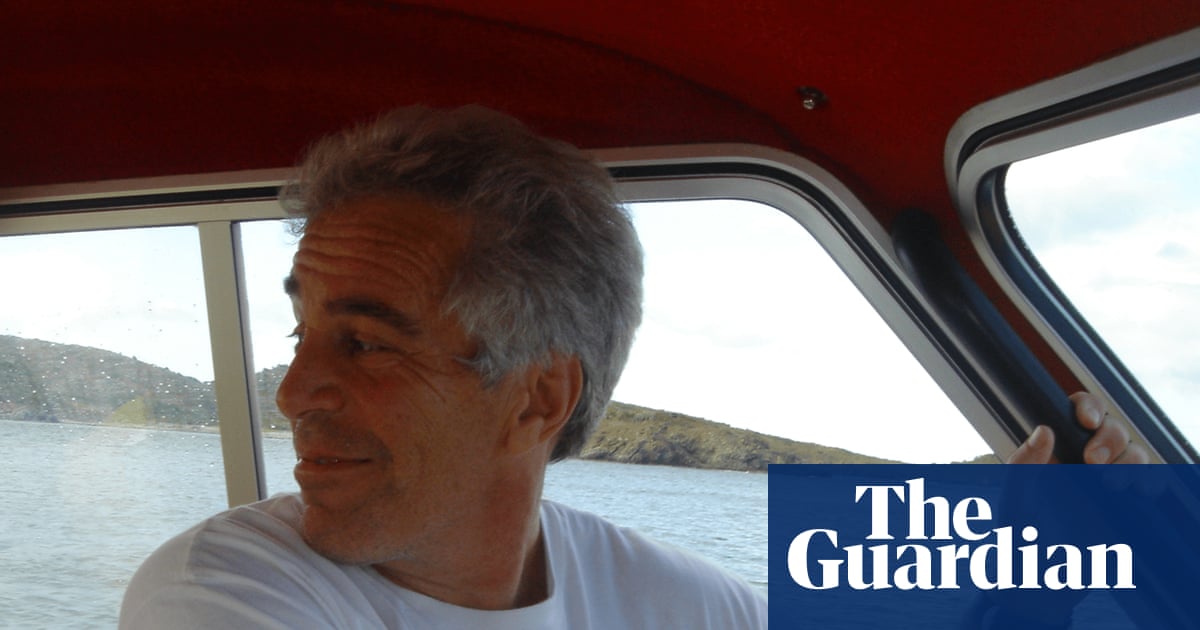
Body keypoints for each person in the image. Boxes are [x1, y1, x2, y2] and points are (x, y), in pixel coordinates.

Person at [119, 105, 1145, 629]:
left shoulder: (675, 601)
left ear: (539, 397)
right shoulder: (223, 596)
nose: (294, 392)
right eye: (301, 335)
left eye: (366, 342)